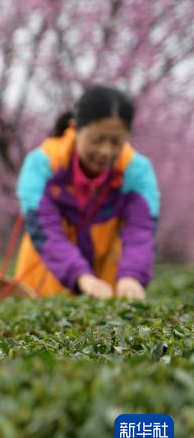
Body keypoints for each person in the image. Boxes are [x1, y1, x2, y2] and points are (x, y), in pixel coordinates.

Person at [13, 85, 159, 299]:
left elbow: (140, 231)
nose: (106, 151)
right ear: (75, 128)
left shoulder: (136, 171)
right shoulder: (42, 164)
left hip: (105, 288)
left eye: (116, 142)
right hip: (43, 282)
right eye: (97, 139)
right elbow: (45, 230)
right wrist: (81, 277)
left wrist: (132, 277)